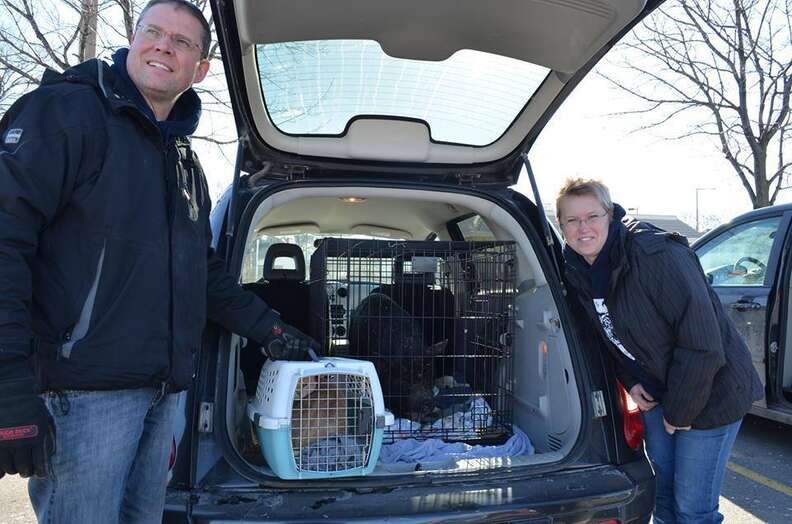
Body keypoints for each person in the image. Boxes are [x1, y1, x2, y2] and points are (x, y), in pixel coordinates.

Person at [0, 1, 315, 522]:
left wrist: (271, 329)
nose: (164, 46)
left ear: (200, 69)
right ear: (134, 39)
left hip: (165, 396)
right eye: (154, 32)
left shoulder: (184, 161)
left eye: (182, 42)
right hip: (83, 397)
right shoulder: (66, 114)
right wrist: (8, 381)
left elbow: (201, 271)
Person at [556, 178, 763, 524]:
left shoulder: (657, 255)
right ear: (561, 226)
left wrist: (678, 413)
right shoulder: (576, 269)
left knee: (692, 509)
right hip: (657, 392)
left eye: (592, 217)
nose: (583, 228)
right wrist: (630, 380)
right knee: (663, 497)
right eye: (572, 220)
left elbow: (703, 345)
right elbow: (606, 335)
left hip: (711, 394)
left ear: (610, 215)